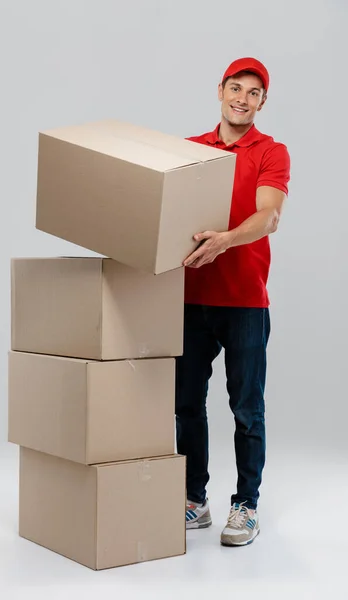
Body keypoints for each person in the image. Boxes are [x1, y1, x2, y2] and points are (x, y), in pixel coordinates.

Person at [177, 57, 291, 546]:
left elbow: (268, 217)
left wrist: (224, 240)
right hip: (188, 299)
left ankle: (245, 505)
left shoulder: (271, 151)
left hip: (245, 301)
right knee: (186, 406)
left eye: (253, 93)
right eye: (235, 88)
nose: (242, 99)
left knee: (247, 408)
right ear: (219, 91)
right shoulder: (188, 150)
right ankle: (193, 500)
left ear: (262, 102)